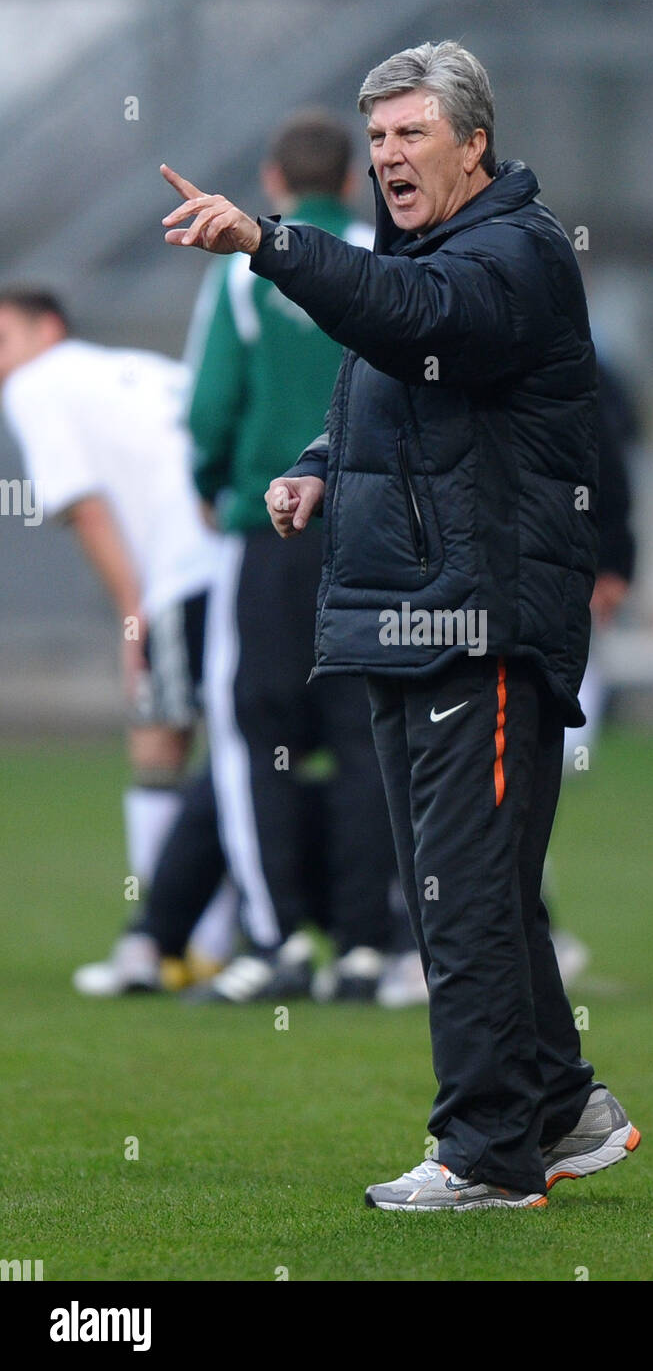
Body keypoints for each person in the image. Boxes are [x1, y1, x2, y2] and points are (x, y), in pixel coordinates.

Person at [161, 40, 639, 1210]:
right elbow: (388, 375)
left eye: (410, 134)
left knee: (463, 897)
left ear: (473, 143)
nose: (387, 157)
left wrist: (270, 244)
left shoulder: (514, 252)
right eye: (376, 139)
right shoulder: (425, 251)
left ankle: (483, 1157)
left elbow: (420, 320)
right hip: (403, 612)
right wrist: (319, 465)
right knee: (458, 884)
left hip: (474, 620)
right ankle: (558, 1104)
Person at [182, 109, 405, 1003]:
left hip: (266, 531)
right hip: (376, 534)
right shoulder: (385, 257)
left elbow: (208, 406)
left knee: (255, 739)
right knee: (367, 738)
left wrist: (215, 481)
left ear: (274, 182)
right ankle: (362, 947)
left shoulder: (244, 272)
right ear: (352, 180)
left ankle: (275, 943)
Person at [0, 288, 237, 993]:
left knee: (159, 735)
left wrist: (133, 613)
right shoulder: (138, 368)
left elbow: (87, 509)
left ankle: (169, 944)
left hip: (182, 569)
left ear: (51, 327)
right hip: (246, 558)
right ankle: (226, 936)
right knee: (243, 752)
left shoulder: (36, 386)